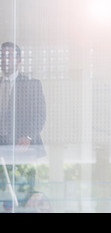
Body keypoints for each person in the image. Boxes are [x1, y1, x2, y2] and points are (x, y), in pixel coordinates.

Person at [0, 42, 47, 212]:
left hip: (23, 148)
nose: (4, 59)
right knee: (4, 193)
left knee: (25, 193)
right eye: (2, 55)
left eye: (9, 55)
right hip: (1, 149)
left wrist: (28, 136)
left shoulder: (31, 84)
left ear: (18, 60)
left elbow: (40, 114)